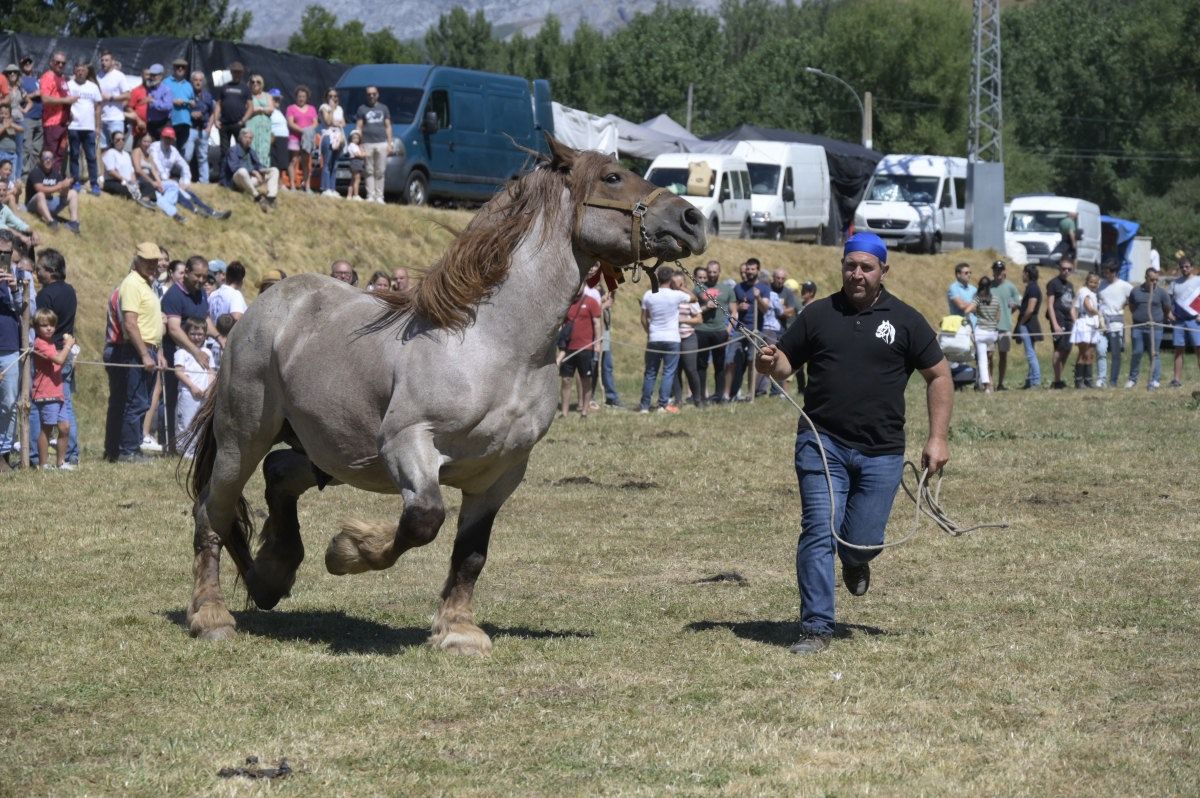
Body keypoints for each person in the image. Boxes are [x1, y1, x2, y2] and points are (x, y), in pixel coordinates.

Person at [754, 232, 952, 655]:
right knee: (819, 528)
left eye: (866, 267)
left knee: (862, 541)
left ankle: (857, 561)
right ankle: (816, 626)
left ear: (883, 271)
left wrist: (937, 438)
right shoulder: (818, 314)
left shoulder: (906, 319)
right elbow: (786, 364)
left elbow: (939, 375)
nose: (857, 274)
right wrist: (769, 363)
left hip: (882, 451)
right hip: (822, 442)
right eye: (850, 265)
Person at [27, 248, 79, 467]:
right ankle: (70, 453)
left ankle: (38, 457)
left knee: (40, 407)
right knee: (65, 406)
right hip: (66, 354)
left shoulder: (45, 295)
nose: (37, 274)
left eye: (39, 269)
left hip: (48, 357)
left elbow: (39, 324)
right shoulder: (70, 291)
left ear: (50, 270)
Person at [117, 242, 167, 462]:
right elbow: (130, 324)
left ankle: (133, 447)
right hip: (139, 350)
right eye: (147, 261)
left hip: (150, 349)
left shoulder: (147, 284)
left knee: (143, 402)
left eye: (155, 261)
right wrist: (146, 355)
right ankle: (128, 451)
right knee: (136, 403)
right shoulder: (132, 284)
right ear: (137, 260)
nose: (152, 265)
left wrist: (158, 353)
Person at [161, 256, 214, 452]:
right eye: (197, 276)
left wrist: (222, 337)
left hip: (198, 356)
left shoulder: (201, 295)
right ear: (187, 273)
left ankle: (195, 443)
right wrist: (196, 352)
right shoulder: (174, 296)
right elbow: (174, 329)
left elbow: (206, 321)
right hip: (176, 354)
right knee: (175, 401)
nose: (201, 280)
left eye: (204, 276)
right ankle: (171, 444)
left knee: (198, 402)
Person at [638, 264, 693, 413]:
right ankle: (662, 404)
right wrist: (680, 287)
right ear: (671, 279)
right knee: (668, 372)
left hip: (655, 337)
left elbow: (643, 318)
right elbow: (694, 298)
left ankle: (644, 405)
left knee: (650, 372)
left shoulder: (648, 294)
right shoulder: (676, 295)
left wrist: (649, 332)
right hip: (672, 338)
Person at [148, 127, 230, 219]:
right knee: (179, 192)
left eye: (170, 138)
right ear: (161, 137)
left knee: (189, 193)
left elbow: (184, 166)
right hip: (155, 181)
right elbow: (156, 164)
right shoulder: (154, 147)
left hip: (167, 181)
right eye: (166, 137)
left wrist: (185, 181)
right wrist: (168, 180)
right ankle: (197, 211)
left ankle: (211, 212)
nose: (168, 140)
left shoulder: (173, 151)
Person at [30, 308, 75, 470]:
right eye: (44, 325)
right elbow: (58, 359)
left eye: (51, 325)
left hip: (57, 391)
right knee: (47, 428)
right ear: (36, 328)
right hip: (46, 392)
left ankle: (61, 462)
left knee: (64, 427)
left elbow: (60, 360)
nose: (49, 328)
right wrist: (68, 346)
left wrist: (67, 349)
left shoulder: (49, 343)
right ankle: (43, 464)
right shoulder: (40, 343)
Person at [726, 258, 768, 401]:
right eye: (748, 269)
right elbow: (732, 309)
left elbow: (765, 309)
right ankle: (727, 394)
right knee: (731, 360)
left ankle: (750, 393)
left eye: (752, 269)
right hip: (739, 329)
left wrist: (758, 298)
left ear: (757, 270)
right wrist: (738, 307)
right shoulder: (738, 287)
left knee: (752, 361)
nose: (750, 272)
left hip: (755, 329)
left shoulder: (763, 288)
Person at [558, 285, 602, 418]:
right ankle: (564, 412)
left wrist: (597, 343)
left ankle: (584, 411)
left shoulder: (591, 302)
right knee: (566, 380)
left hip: (585, 348)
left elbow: (597, 323)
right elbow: (561, 324)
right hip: (569, 348)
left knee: (586, 380)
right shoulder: (567, 303)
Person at [1126, 263, 1172, 390]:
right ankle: (1132, 379)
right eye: (1152, 279)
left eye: (1157, 279)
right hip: (1138, 327)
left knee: (1154, 353)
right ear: (1146, 277)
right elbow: (1131, 306)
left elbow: (1167, 308)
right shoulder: (1135, 291)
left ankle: (1155, 380)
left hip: (1155, 328)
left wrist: (1166, 316)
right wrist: (1139, 316)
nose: (1155, 282)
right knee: (1137, 352)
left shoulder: (1162, 293)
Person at [692, 260, 732, 404]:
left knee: (719, 365)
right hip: (702, 330)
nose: (712, 274)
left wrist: (729, 329)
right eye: (710, 272)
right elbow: (692, 310)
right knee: (701, 365)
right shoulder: (698, 289)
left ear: (719, 272)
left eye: (715, 272)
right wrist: (705, 307)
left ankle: (719, 396)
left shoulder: (727, 289)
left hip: (720, 331)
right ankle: (702, 396)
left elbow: (734, 312)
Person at [174, 317, 214, 457]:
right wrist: (192, 387)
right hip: (188, 393)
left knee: (201, 424)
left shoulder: (207, 353)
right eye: (193, 334)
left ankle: (197, 451)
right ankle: (185, 452)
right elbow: (179, 371)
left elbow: (211, 372)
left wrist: (209, 389)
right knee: (186, 422)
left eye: (200, 334)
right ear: (186, 334)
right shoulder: (182, 352)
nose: (197, 337)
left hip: (204, 395)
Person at [65, 61, 102, 195]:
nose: (80, 72)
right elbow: (64, 105)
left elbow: (98, 107)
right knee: (74, 155)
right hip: (73, 126)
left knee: (91, 156)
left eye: (83, 70)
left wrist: (97, 126)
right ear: (74, 71)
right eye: (78, 70)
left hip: (89, 127)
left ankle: (94, 184)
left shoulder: (93, 87)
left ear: (87, 72)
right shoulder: (68, 85)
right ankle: (75, 182)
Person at [670, 270, 704, 408]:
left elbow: (699, 319)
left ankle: (697, 399)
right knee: (674, 369)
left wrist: (683, 320)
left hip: (688, 337)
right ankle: (678, 400)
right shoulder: (669, 297)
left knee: (691, 369)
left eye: (679, 284)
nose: (676, 286)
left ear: (683, 283)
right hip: (673, 337)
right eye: (673, 284)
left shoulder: (690, 298)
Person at [1096, 261, 1132, 388]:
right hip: (1102, 323)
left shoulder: (1125, 286)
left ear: (1114, 272)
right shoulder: (1101, 285)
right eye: (1104, 272)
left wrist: (1122, 305)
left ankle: (1113, 381)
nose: (1105, 274)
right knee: (1101, 350)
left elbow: (1132, 297)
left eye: (1107, 272)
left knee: (1116, 353)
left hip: (1116, 324)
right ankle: (1101, 379)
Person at [224, 127, 279, 212]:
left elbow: (258, 165)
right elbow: (234, 167)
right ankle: (257, 197)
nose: (248, 140)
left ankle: (270, 198)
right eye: (246, 137)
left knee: (274, 170)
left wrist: (262, 171)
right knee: (242, 171)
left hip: (250, 180)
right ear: (241, 138)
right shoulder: (233, 150)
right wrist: (253, 171)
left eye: (251, 138)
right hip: (237, 180)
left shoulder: (251, 151)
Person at [25, 149, 80, 233]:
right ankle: (51, 221)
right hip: (33, 205)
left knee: (73, 193)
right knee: (40, 194)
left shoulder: (55, 173)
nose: (48, 160)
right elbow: (39, 189)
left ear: (53, 160)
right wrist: (59, 186)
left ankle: (73, 223)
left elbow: (61, 192)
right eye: (45, 158)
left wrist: (66, 186)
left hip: (49, 203)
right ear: (40, 160)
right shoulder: (35, 172)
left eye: (50, 158)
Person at [355, 86, 393, 204]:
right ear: (366, 95)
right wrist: (359, 143)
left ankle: (379, 196)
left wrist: (390, 143)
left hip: (382, 143)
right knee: (369, 171)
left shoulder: (384, 108)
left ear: (378, 94)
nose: (371, 96)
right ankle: (370, 195)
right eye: (369, 94)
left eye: (374, 94)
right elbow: (359, 127)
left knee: (380, 171)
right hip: (367, 143)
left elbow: (388, 126)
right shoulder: (362, 109)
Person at [100, 131, 157, 210]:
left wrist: (134, 183)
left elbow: (131, 171)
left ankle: (145, 200)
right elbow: (111, 171)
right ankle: (139, 199)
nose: (120, 141)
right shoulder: (110, 153)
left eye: (123, 139)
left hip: (127, 182)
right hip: (113, 181)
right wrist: (125, 180)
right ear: (113, 141)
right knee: (127, 189)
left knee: (147, 185)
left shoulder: (126, 154)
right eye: (117, 139)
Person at [988, 260, 1022, 390]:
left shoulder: (1011, 287)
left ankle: (1001, 383)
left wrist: (1008, 312)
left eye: (1000, 270)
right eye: (996, 270)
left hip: (1005, 327)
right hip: (990, 327)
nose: (998, 273)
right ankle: (989, 382)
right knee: (989, 355)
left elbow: (1016, 304)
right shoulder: (989, 286)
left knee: (1003, 355)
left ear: (1004, 271)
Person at [39, 52, 75, 170]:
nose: (60, 65)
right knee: (50, 154)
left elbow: (64, 98)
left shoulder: (62, 78)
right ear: (51, 63)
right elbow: (45, 98)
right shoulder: (48, 76)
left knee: (60, 153)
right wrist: (66, 100)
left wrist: (69, 113)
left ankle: (54, 179)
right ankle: (46, 180)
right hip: (52, 123)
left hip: (63, 123)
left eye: (63, 63)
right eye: (57, 62)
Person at [1045, 256, 1077, 389]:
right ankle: (1057, 381)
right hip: (1058, 319)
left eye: (1069, 269)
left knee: (1067, 349)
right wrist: (1055, 324)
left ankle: (1058, 378)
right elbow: (1050, 305)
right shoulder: (1053, 283)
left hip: (1069, 320)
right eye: (1064, 269)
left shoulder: (1070, 285)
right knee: (1059, 349)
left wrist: (1076, 322)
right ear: (1059, 268)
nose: (1066, 271)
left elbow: (1072, 306)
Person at [1168, 256, 1200, 387]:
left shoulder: (1199, 281)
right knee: (1178, 350)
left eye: (1187, 266)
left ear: (1192, 267)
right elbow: (1169, 302)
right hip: (1179, 321)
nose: (1184, 269)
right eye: (1182, 267)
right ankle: (1176, 380)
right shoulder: (1174, 283)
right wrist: (1169, 313)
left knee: (1199, 349)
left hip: (1195, 320)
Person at [1070, 271, 1101, 388]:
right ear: (1087, 281)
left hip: (1092, 324)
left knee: (1090, 353)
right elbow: (1089, 307)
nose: (1093, 284)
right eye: (1091, 282)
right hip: (1085, 323)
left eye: (1095, 282)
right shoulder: (1084, 292)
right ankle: (1079, 381)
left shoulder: (1093, 293)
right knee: (1083, 352)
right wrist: (1077, 322)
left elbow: (1073, 308)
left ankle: (1088, 380)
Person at [1015, 264, 1043, 389]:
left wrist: (1022, 322)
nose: (1022, 275)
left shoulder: (1032, 288)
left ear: (1027, 273)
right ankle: (1030, 380)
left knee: (1030, 353)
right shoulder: (1032, 287)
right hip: (1029, 322)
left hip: (1028, 323)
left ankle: (1035, 381)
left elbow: (1030, 309)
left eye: (1023, 272)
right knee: (1031, 351)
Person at [286, 85, 318, 193]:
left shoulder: (312, 108)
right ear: (296, 97)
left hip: (307, 139)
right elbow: (290, 123)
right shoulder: (291, 108)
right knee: (293, 161)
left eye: (303, 96)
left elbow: (315, 122)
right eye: (299, 96)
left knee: (305, 162)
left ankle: (307, 186)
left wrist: (308, 132)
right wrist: (303, 131)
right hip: (295, 137)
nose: (301, 98)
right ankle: (292, 186)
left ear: (307, 97)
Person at [972, 276, 1000, 393]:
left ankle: (987, 385)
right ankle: (991, 382)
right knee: (990, 358)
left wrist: (977, 313)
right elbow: (998, 316)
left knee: (983, 360)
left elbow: (969, 309)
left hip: (981, 331)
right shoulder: (996, 299)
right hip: (992, 332)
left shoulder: (978, 298)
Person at [185, 71, 214, 183]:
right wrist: (190, 114)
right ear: (192, 81)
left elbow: (213, 112)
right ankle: (185, 179)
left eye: (200, 80)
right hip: (190, 129)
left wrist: (210, 127)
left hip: (203, 130)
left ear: (203, 82)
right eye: (196, 80)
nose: (198, 82)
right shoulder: (187, 93)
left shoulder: (208, 95)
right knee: (187, 156)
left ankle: (204, 181)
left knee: (203, 157)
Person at [96, 51, 129, 149]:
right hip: (101, 119)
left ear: (112, 62)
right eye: (102, 60)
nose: (103, 63)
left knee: (117, 147)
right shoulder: (98, 76)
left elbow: (127, 95)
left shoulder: (119, 76)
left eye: (106, 60)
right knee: (102, 149)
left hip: (115, 119)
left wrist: (110, 98)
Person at [318, 87, 345, 197]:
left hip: (338, 137)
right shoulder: (324, 107)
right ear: (326, 97)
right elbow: (328, 122)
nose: (333, 98)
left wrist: (336, 122)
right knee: (327, 163)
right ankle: (326, 187)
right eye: (330, 96)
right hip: (328, 136)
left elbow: (343, 123)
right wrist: (332, 109)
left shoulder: (340, 109)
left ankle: (333, 188)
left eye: (335, 96)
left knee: (335, 164)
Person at [242, 75, 273, 167]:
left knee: (265, 148)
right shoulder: (247, 96)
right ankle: (251, 170)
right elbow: (246, 109)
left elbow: (271, 109)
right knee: (251, 146)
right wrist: (263, 109)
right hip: (251, 125)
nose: (255, 84)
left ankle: (263, 169)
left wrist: (256, 109)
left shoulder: (267, 96)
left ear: (262, 84)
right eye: (253, 82)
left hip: (264, 127)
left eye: (258, 82)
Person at [19, 56, 42, 175]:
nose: (27, 64)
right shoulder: (19, 80)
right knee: (26, 148)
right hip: (27, 117)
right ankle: (24, 174)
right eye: (24, 63)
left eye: (29, 62)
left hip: (40, 117)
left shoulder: (37, 79)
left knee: (37, 149)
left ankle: (32, 174)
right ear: (21, 65)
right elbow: (18, 97)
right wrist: (34, 94)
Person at [164, 58, 194, 149]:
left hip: (185, 122)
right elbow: (159, 100)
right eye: (178, 67)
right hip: (170, 121)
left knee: (181, 149)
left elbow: (192, 101)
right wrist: (173, 101)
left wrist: (192, 104)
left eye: (183, 67)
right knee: (168, 148)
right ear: (174, 68)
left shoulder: (188, 85)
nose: (180, 69)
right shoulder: (166, 82)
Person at [144, 64, 172, 140]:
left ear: (161, 76)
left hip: (162, 124)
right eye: (151, 75)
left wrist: (153, 101)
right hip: (150, 124)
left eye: (155, 75)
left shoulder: (166, 90)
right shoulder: (148, 88)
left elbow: (168, 106)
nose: (152, 78)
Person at [267, 89, 290, 176]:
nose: (277, 101)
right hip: (275, 137)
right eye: (275, 98)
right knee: (274, 162)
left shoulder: (278, 111)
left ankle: (280, 183)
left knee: (281, 162)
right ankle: (275, 182)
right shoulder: (269, 110)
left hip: (283, 138)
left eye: (278, 99)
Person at [0, 104, 22, 177]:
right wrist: (4, 127)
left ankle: (11, 185)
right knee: (2, 172)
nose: (3, 115)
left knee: (11, 173)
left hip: (12, 154)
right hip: (2, 153)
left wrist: (11, 125)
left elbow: (21, 129)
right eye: (1, 113)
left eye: (6, 114)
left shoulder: (12, 125)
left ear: (10, 116)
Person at [345, 129, 365, 200]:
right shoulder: (352, 145)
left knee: (352, 180)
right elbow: (357, 154)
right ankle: (356, 195)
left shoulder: (355, 146)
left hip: (355, 163)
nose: (356, 139)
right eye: (354, 138)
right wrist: (365, 154)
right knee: (357, 179)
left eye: (357, 138)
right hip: (356, 163)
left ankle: (349, 195)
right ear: (351, 139)